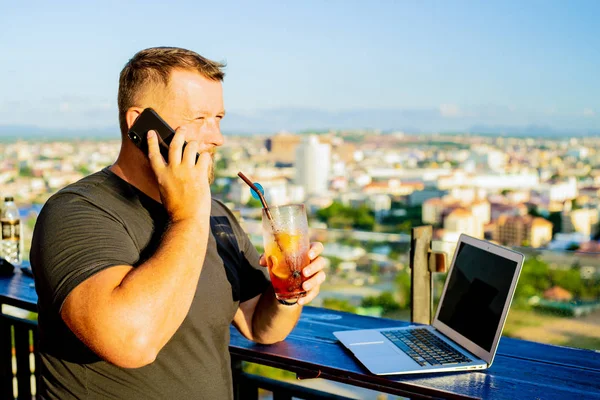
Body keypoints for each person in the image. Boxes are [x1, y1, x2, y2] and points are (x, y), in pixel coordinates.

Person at [30, 47, 327, 399]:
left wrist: (287, 293)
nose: (217, 137)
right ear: (141, 123)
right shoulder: (77, 212)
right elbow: (132, 344)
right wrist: (187, 216)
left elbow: (259, 325)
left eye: (219, 117)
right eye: (199, 118)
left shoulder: (216, 214)